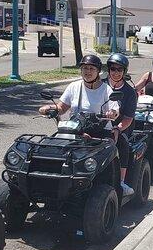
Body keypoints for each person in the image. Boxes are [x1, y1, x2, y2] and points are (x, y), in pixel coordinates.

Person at [38, 55, 131, 195]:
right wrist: (49, 108)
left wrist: (112, 114)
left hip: (99, 133)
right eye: (85, 68)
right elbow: (62, 107)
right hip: (75, 131)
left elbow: (114, 110)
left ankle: (116, 183)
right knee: (51, 148)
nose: (88, 71)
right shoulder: (74, 86)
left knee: (104, 156)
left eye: (91, 68)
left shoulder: (107, 90)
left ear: (98, 71)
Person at [103, 53, 137, 196]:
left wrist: (118, 128)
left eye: (119, 69)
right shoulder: (100, 84)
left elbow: (128, 118)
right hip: (98, 124)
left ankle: (121, 181)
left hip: (121, 126)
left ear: (124, 72)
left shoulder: (129, 92)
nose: (116, 72)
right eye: (113, 69)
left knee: (122, 143)